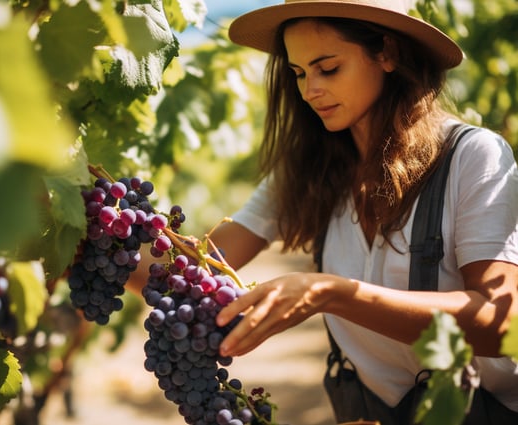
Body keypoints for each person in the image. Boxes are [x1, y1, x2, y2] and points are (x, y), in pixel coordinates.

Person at [189, 0, 518, 423]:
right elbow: (198, 262)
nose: (309, 91)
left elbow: (501, 322)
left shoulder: (472, 156)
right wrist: (90, 235)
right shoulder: (311, 172)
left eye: (327, 69)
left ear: (387, 53)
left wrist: (330, 293)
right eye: (299, 74)